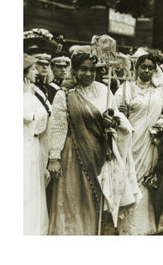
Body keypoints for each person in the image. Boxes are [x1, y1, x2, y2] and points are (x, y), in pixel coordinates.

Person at [47, 50, 137, 235]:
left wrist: (114, 122)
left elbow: (116, 118)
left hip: (100, 151)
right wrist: (54, 157)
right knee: (73, 199)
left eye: (92, 70)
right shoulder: (64, 94)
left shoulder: (104, 91)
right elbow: (57, 126)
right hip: (74, 154)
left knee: (98, 198)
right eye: (83, 69)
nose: (88, 74)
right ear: (75, 70)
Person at [115, 53, 163, 235]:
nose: (146, 70)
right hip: (129, 141)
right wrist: (121, 113)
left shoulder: (160, 90)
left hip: (151, 141)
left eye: (150, 67)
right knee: (130, 179)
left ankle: (146, 226)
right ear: (136, 68)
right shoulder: (126, 89)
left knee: (147, 181)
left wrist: (159, 126)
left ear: (155, 70)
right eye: (143, 67)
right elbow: (113, 114)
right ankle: (128, 227)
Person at [23, 54, 49, 235]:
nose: (35, 72)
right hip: (25, 145)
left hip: (32, 144)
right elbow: (34, 118)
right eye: (32, 69)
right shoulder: (25, 94)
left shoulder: (32, 91)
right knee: (27, 188)